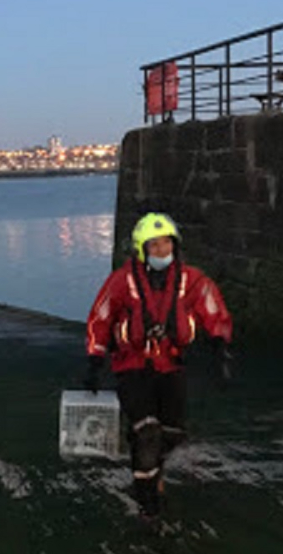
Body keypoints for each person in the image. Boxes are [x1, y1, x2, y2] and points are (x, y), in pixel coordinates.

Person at [83, 212, 233, 521]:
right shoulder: (122, 281)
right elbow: (102, 316)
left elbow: (213, 309)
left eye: (167, 244)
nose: (162, 250)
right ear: (142, 249)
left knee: (172, 433)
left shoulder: (192, 280)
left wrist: (220, 347)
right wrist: (95, 359)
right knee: (147, 431)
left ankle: (151, 470)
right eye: (154, 245)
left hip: (171, 364)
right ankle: (147, 503)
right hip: (133, 364)